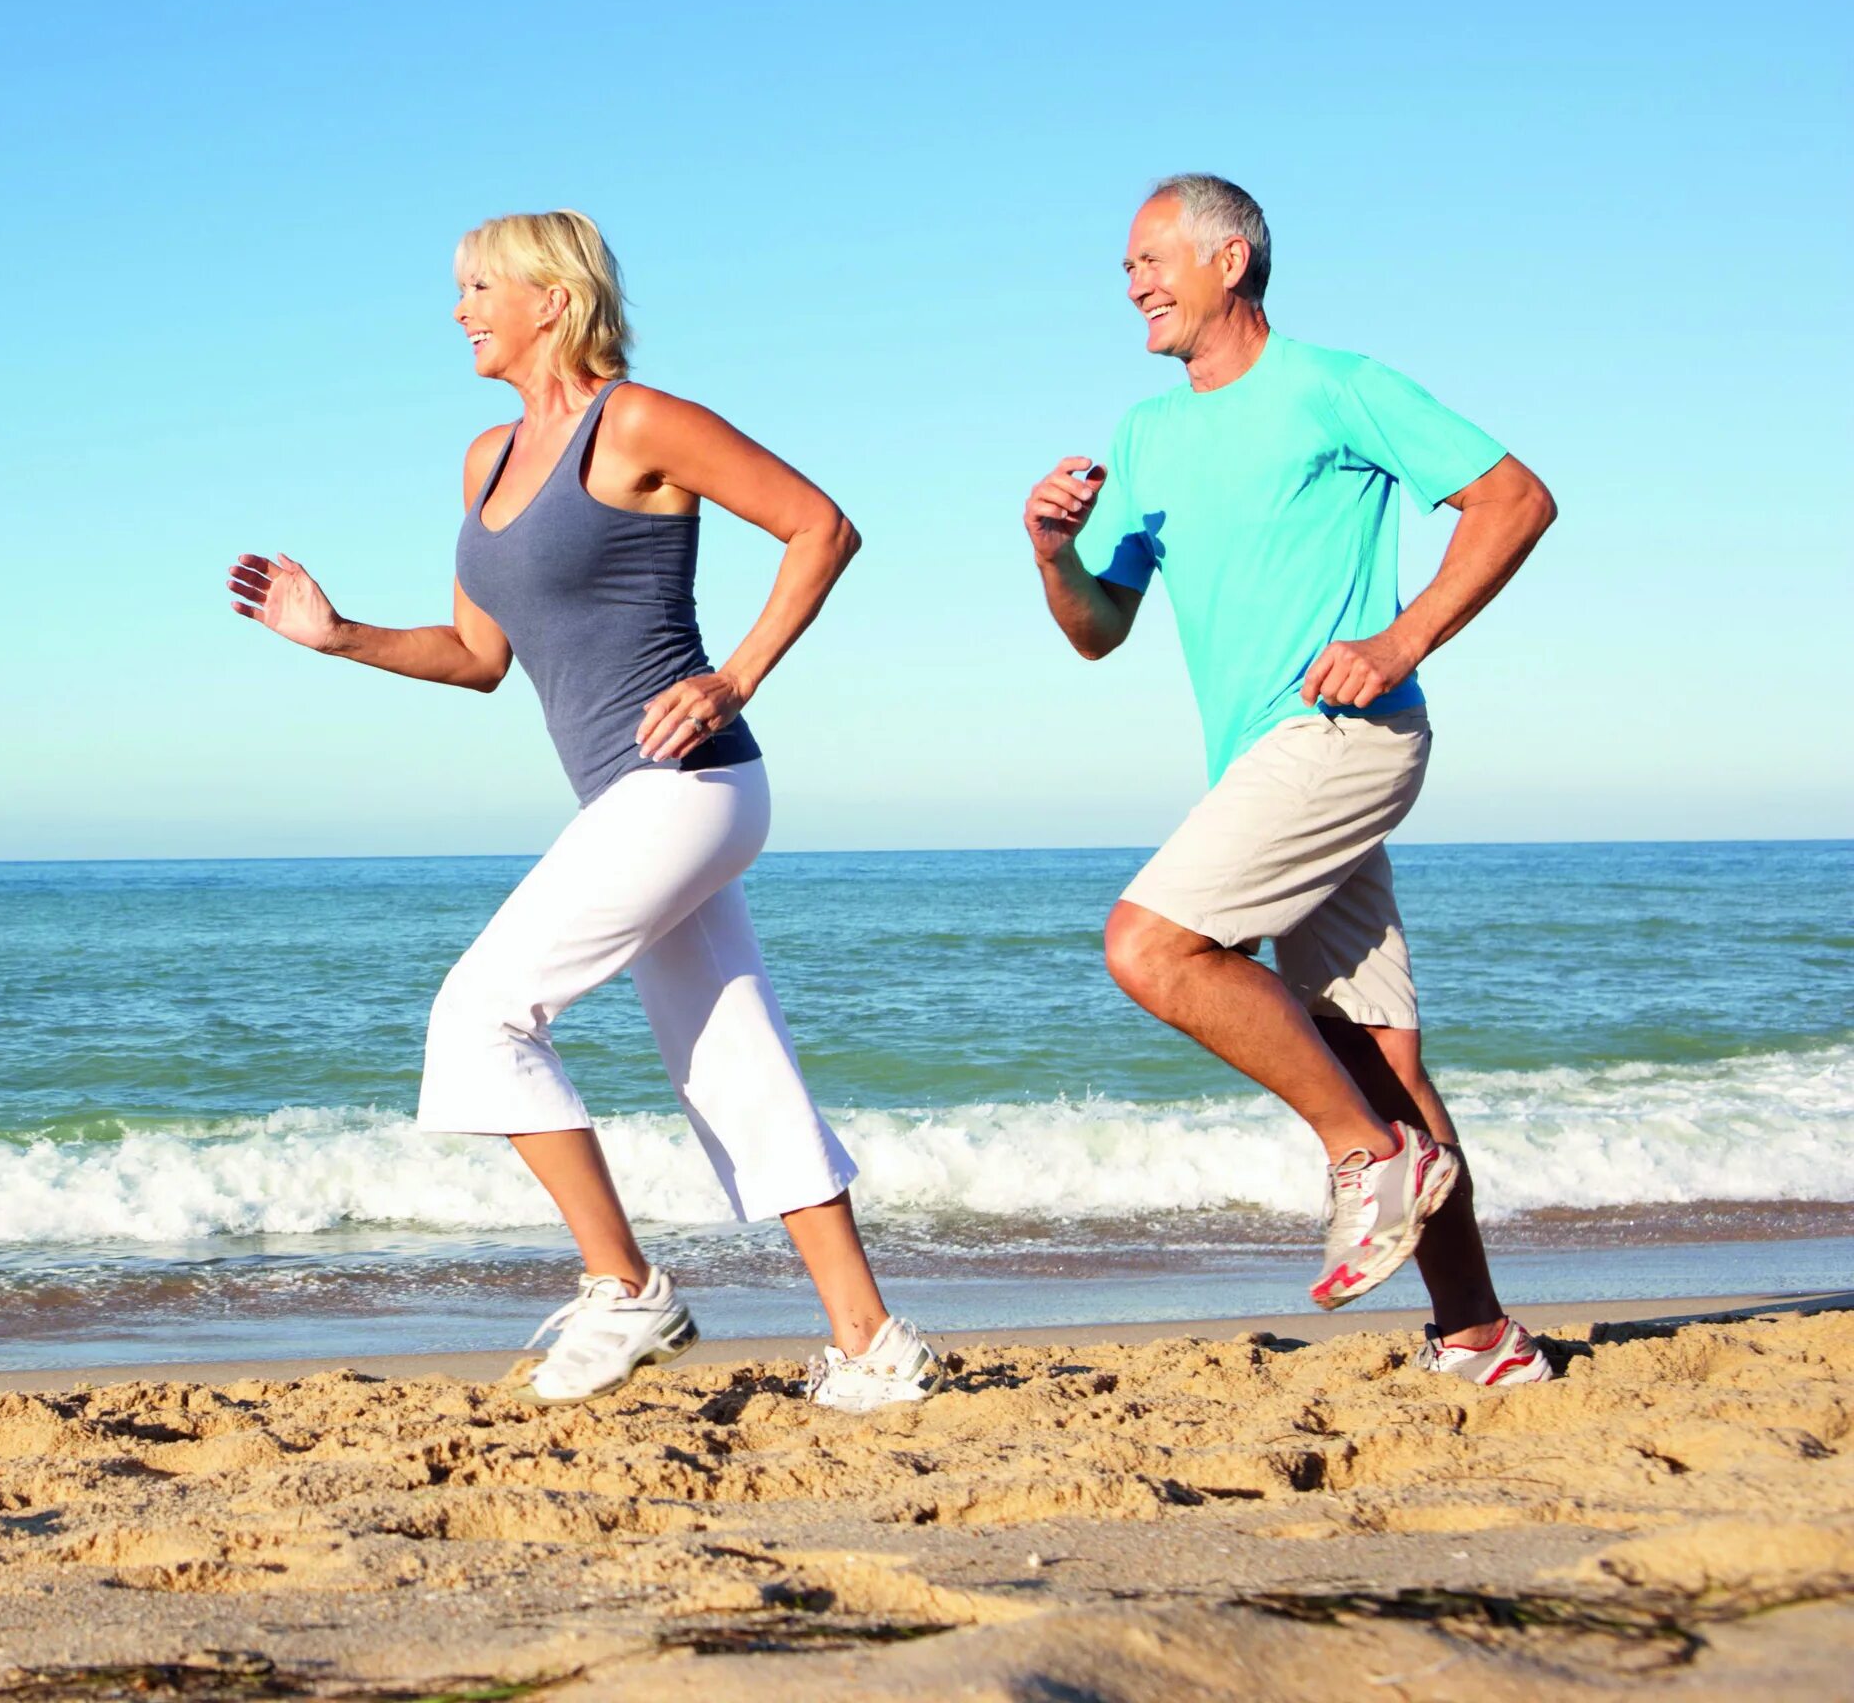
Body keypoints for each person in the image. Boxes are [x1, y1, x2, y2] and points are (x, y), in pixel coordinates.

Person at [228, 210, 937, 1411]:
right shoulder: (486, 459)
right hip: (637, 797)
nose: (459, 308)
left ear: (551, 299)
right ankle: (871, 1341)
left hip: (693, 783)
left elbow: (822, 525)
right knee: (734, 1063)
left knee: (479, 1015)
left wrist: (733, 676)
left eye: (478, 286)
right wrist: (335, 633)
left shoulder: (641, 421)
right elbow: (475, 653)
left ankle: (625, 1288)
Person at [1025, 174, 1561, 1386]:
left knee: (1150, 947)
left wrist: (1401, 637)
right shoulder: (1146, 433)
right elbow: (1100, 627)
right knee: (1384, 1057)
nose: (1134, 284)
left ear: (1231, 260)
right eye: (1125, 268)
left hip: (1346, 732)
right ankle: (1480, 1333)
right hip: (1263, 764)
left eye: (1153, 258)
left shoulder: (1337, 384)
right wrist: (1055, 553)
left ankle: (1363, 1157)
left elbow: (1515, 497)